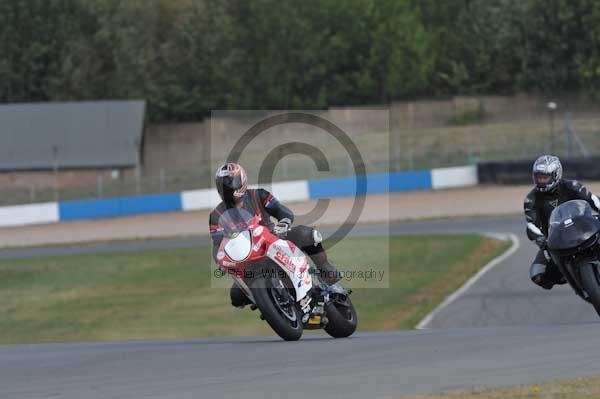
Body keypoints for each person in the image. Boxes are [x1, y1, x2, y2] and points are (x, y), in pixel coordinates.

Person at [209, 162, 342, 307]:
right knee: (236, 296)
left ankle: (328, 276)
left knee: (307, 234)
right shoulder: (216, 215)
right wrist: (221, 262)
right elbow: (218, 245)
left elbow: (282, 212)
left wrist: (283, 223)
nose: (227, 187)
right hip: (248, 260)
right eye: (223, 184)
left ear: (242, 180)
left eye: (230, 182)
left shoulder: (258, 195)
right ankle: (272, 307)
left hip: (275, 239)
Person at [524, 155, 600, 289]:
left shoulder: (572, 186)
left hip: (584, 228)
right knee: (537, 274)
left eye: (544, 177)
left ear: (556, 175)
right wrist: (541, 240)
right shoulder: (531, 199)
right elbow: (531, 225)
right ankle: (569, 275)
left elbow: (593, 200)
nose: (541, 180)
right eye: (538, 177)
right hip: (555, 240)